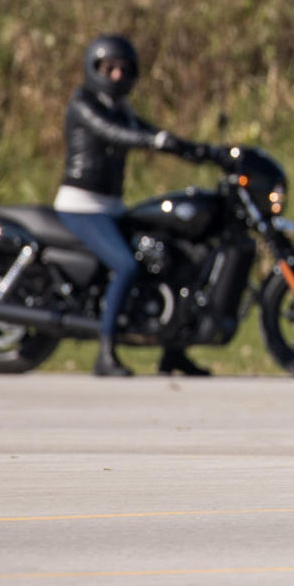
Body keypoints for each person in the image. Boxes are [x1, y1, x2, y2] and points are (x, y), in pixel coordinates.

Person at [54, 34, 217, 377]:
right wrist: (155, 140)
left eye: (123, 69)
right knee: (126, 266)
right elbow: (114, 133)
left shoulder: (121, 108)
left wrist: (198, 151)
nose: (116, 75)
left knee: (177, 261)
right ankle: (105, 352)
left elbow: (146, 130)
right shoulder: (83, 103)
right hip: (81, 206)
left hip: (111, 206)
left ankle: (173, 353)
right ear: (94, 68)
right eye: (109, 68)